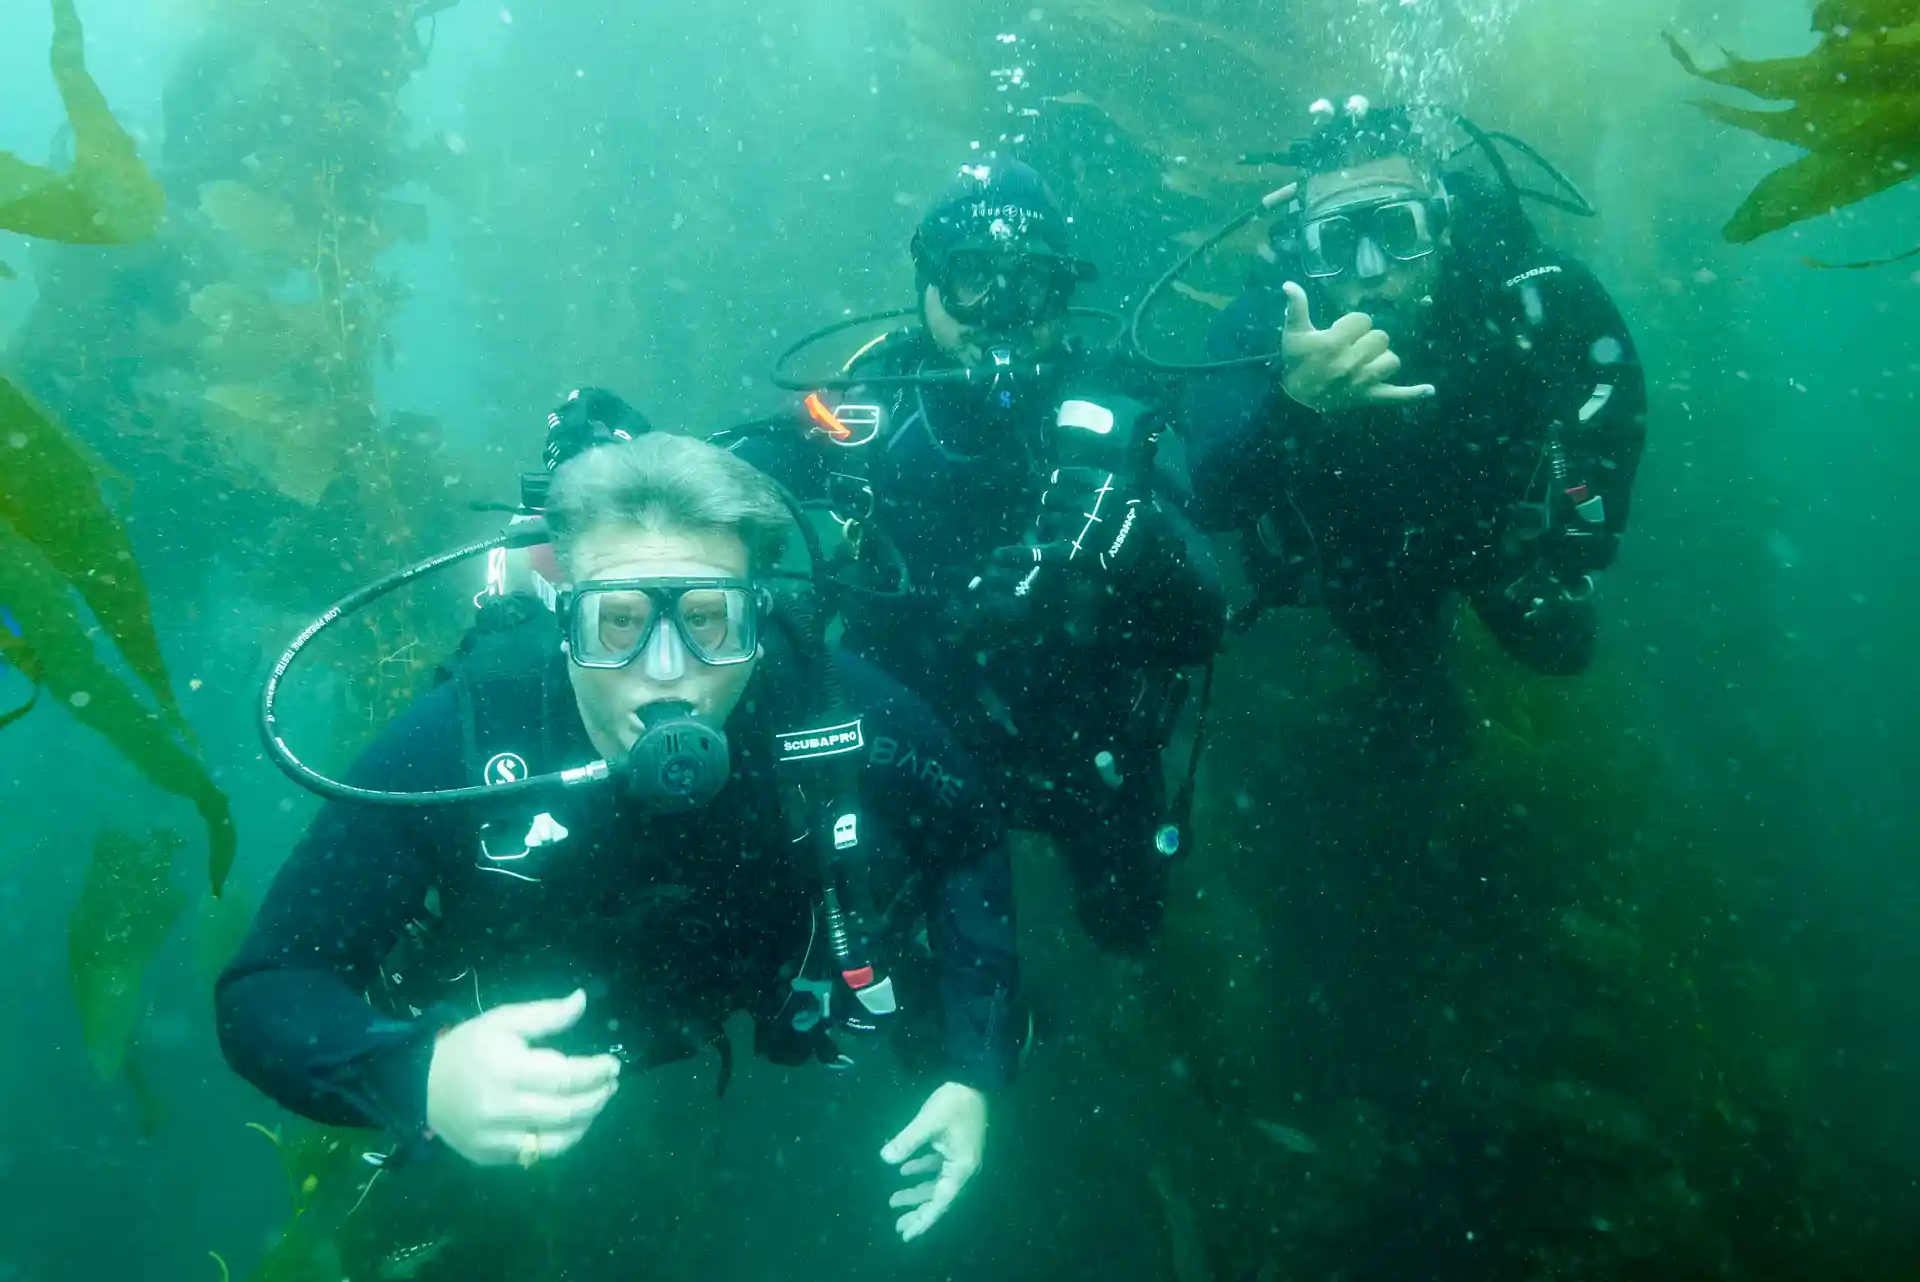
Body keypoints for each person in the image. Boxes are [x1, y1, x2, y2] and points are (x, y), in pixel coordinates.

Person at [217, 424, 1020, 1247]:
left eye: (710, 619)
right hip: (525, 1088)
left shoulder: (824, 703)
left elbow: (967, 839)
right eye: (616, 622)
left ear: (761, 616)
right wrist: (417, 1075)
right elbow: (269, 985)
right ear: (564, 618)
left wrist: (975, 1072)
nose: (666, 666)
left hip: (753, 1027)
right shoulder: (468, 736)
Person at [722, 158, 1227, 952]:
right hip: (910, 742)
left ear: (1064, 293)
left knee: (1129, 930)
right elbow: (734, 473)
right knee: (887, 962)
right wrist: (629, 458)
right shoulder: (870, 400)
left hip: (1088, 750)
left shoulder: (1119, 402)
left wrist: (1138, 545)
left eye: (1031, 283)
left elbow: (1206, 620)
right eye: (971, 277)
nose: (1001, 309)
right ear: (927, 284)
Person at [1185, 101, 1646, 753]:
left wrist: (1582, 542)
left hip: (1490, 531)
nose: (1373, 270)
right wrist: (1296, 405)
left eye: (1398, 231)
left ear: (1444, 225)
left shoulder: (1529, 292)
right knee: (1408, 680)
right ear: (1304, 248)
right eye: (1337, 243)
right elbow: (1213, 496)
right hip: (1356, 551)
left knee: (1564, 650)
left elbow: (1614, 397)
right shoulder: (1265, 326)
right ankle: (1422, 684)